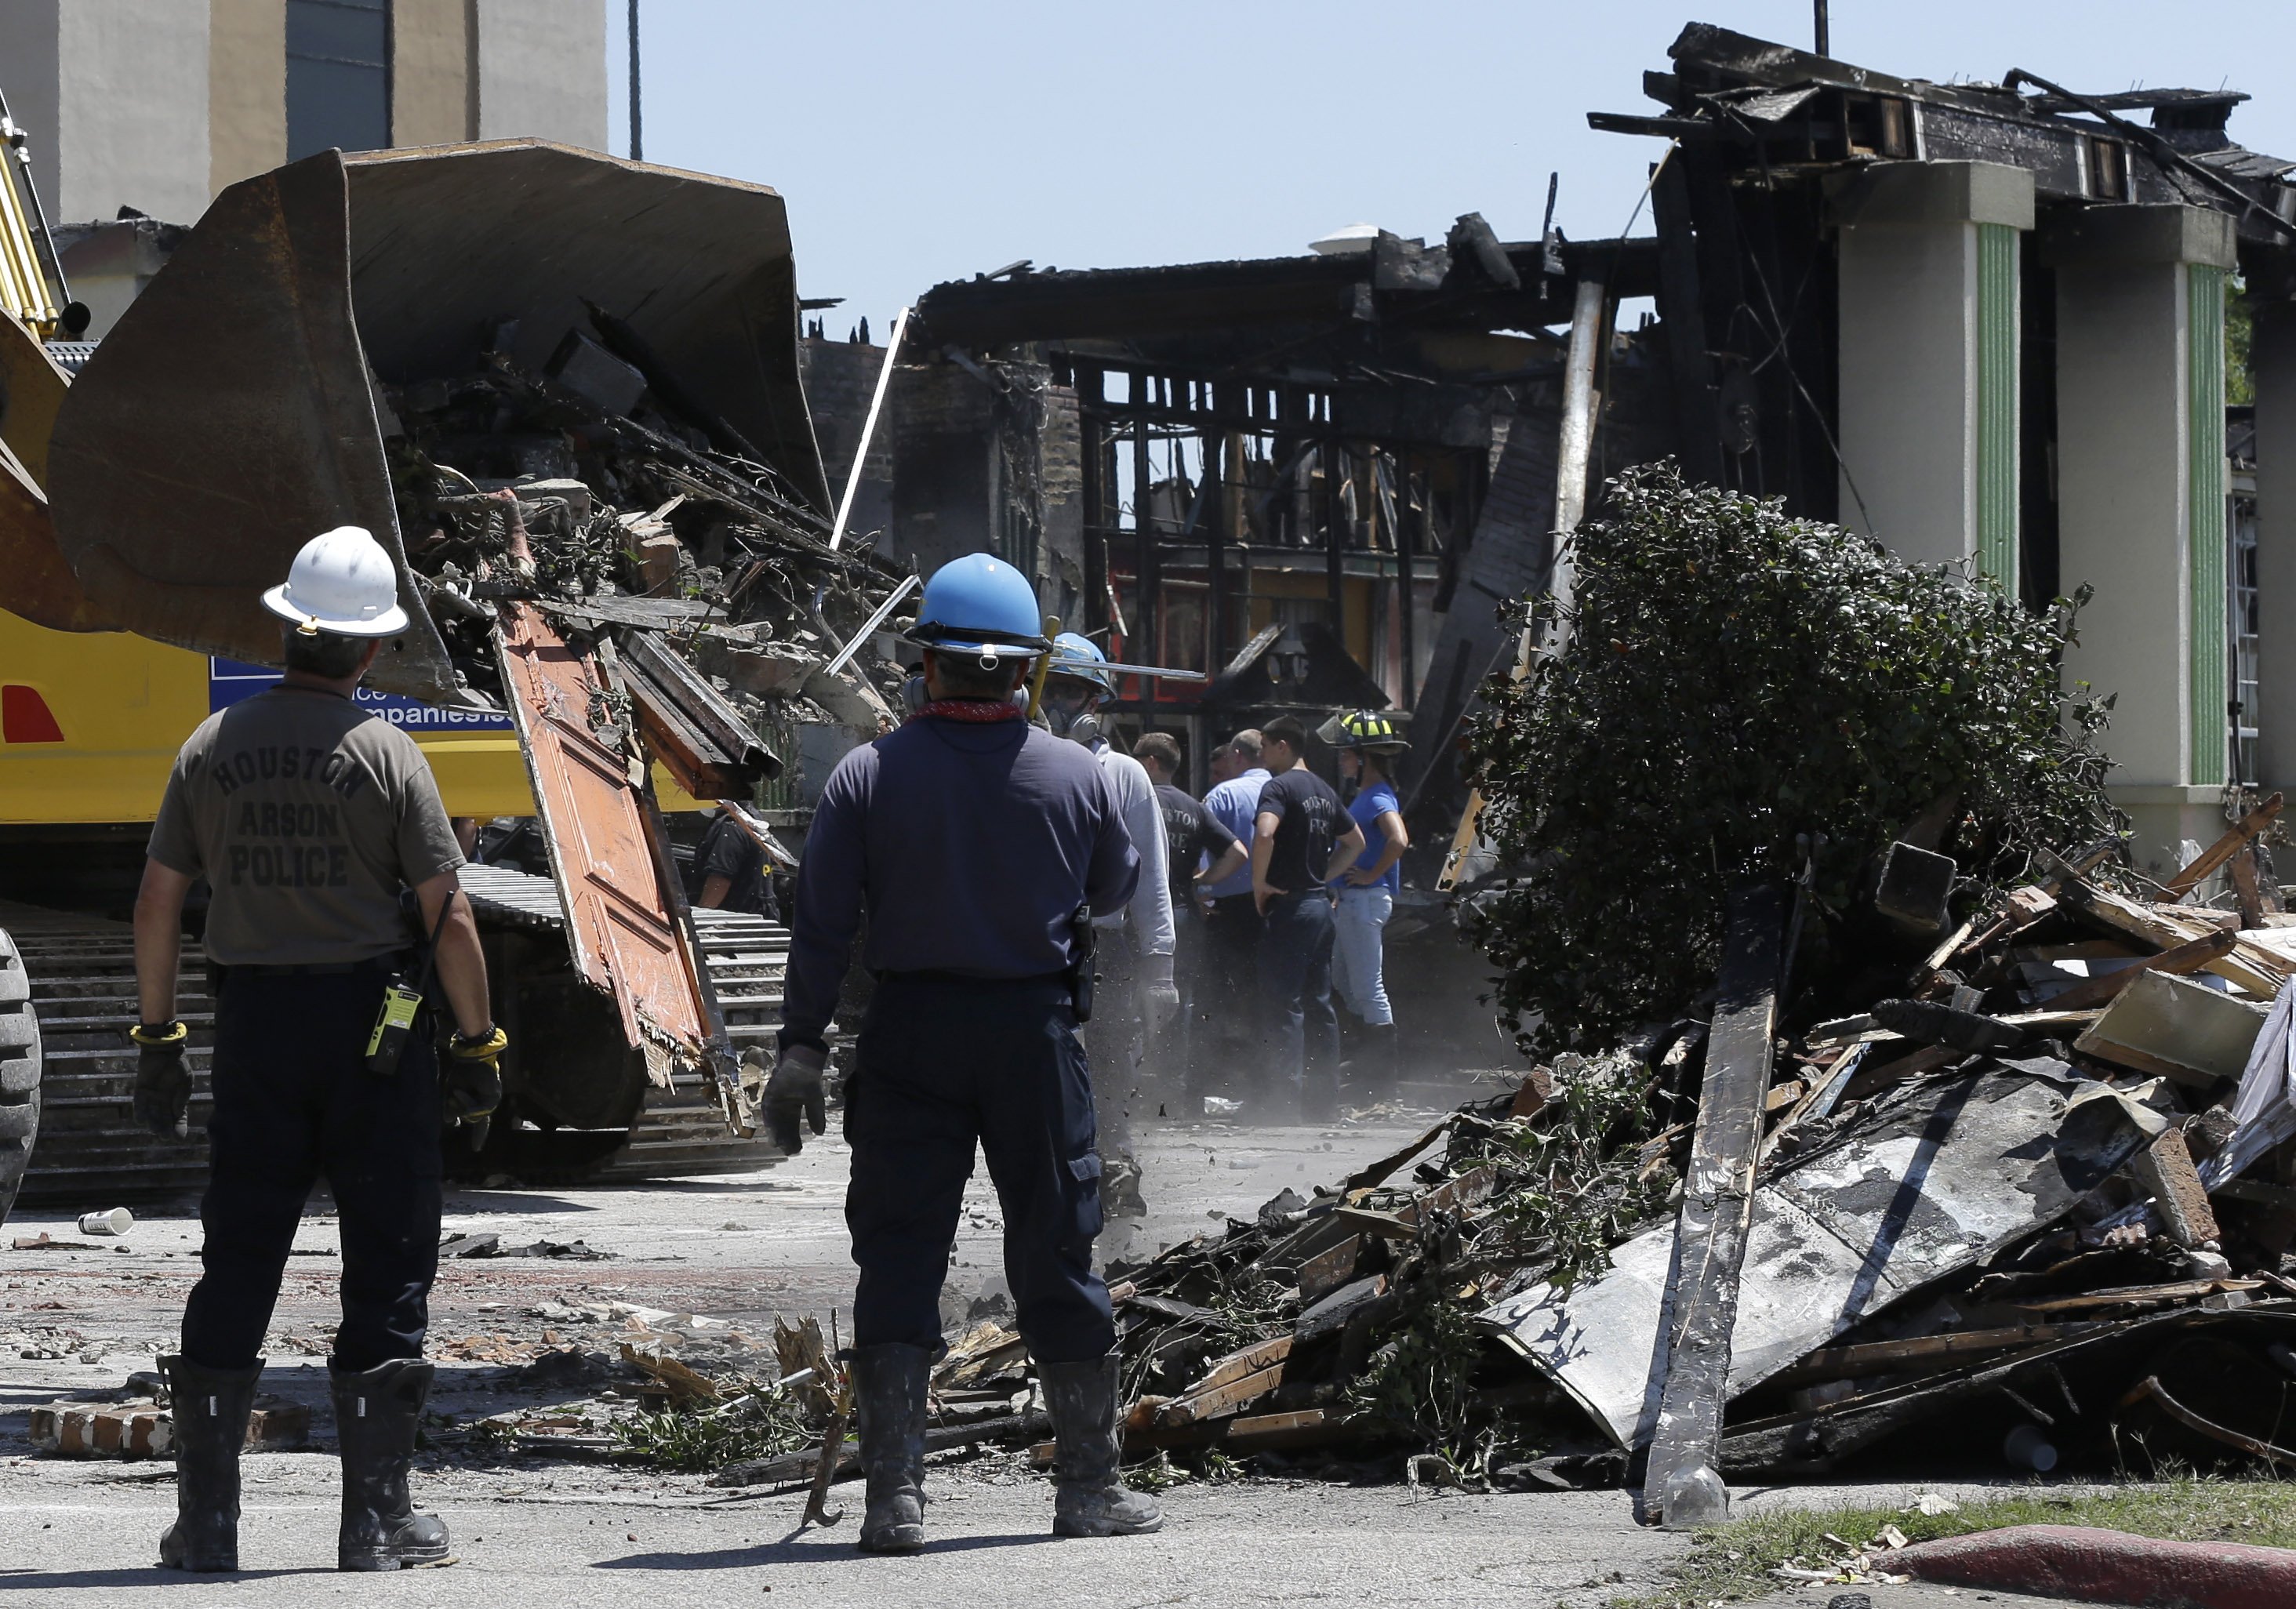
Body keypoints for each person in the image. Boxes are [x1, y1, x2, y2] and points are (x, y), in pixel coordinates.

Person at [765, 552, 1161, 1553]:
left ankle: (894, 1504)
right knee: (1057, 1250)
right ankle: (1086, 1493)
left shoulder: (867, 774)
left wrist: (800, 1049)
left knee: (897, 1252)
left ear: (925, 664)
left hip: (908, 1038)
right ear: (1025, 669)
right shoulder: (1084, 776)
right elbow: (1112, 896)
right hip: (1032, 1038)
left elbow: (820, 926)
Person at [131, 525, 504, 1574]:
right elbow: (451, 914)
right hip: (369, 1041)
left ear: (289, 630)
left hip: (253, 1031)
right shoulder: (388, 755)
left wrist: (159, 1038)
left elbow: (159, 898)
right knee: (385, 1262)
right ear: (373, 651)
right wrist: (480, 1041)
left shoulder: (212, 749)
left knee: (239, 1260)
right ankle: (375, 1525)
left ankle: (206, 1529)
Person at [1040, 633, 1175, 1216]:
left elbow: (1151, 875)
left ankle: (1116, 1169)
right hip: (1041, 943)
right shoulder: (1022, 763)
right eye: (1053, 690)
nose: (1061, 705)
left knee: (1114, 1063)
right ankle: (1058, 1176)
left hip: (1106, 944)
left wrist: (1161, 967)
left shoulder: (1123, 774)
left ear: (1095, 703)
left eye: (1073, 692)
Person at [1249, 717, 1364, 1120]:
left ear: (1283, 746)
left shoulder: (1278, 787)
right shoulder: (1324, 790)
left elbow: (1264, 833)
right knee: (1320, 1006)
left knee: (1284, 1007)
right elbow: (1356, 843)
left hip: (1291, 910)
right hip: (1319, 907)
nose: (1260, 754)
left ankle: (1282, 1106)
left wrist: (1259, 883)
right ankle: (1323, 1106)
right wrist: (1323, 875)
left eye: (1264, 746)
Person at [1133, 732, 1246, 1095]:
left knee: (1131, 1001)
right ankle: (1172, 1089)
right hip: (1183, 912)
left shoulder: (1135, 798)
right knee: (1179, 1002)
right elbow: (1238, 852)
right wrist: (1201, 883)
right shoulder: (1195, 807)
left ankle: (1131, 1086)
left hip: (1137, 913)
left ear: (1151, 762)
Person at [1318, 710, 1412, 1098]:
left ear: (1363, 757)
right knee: (1343, 979)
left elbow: (1399, 839)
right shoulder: (1368, 795)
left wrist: (1372, 875)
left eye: (1346, 753)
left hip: (1364, 899)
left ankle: (1379, 1082)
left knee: (1368, 988)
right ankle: (1366, 1063)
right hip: (1354, 901)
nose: (1341, 760)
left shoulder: (1375, 797)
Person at [1197, 730, 1270, 1092]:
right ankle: (1262, 1085)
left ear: (1236, 756)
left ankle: (1216, 1078)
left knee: (1217, 994)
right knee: (1265, 996)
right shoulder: (1287, 790)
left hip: (1228, 909)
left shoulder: (1224, 794)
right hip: (1276, 908)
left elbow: (1200, 849)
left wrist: (1202, 888)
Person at [692, 804, 773, 916]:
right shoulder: (750, 819)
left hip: (737, 920)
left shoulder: (731, 828)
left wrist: (699, 917)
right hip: (758, 915)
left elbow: (719, 881)